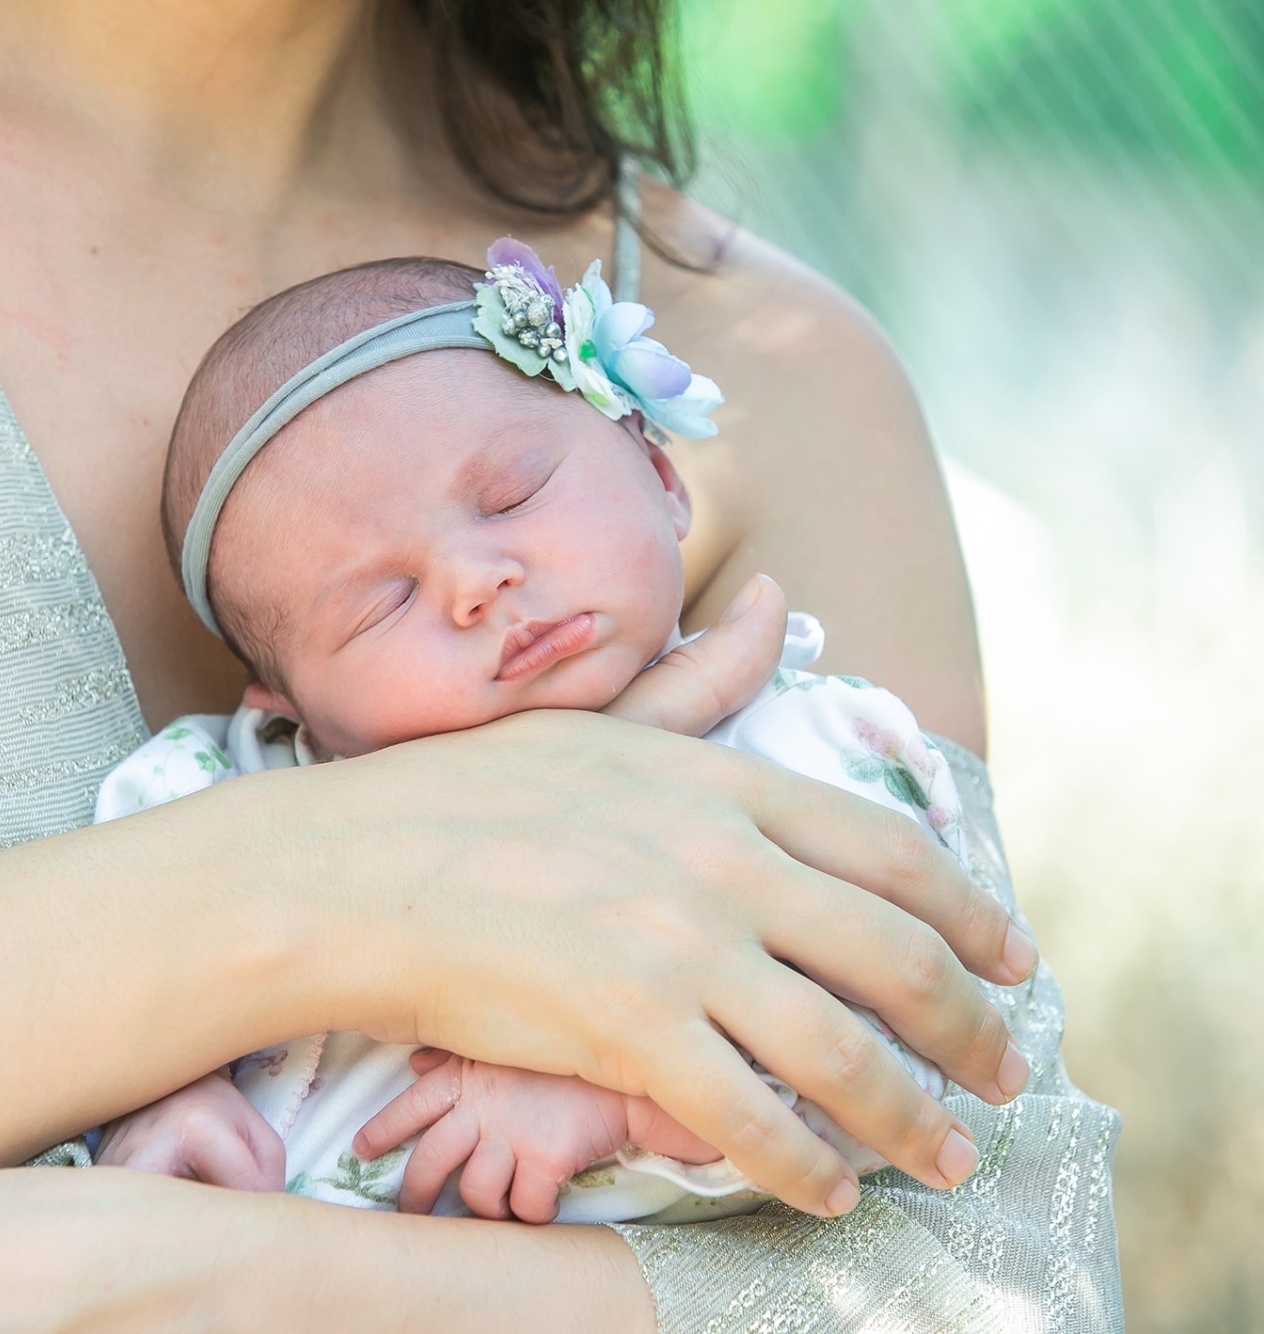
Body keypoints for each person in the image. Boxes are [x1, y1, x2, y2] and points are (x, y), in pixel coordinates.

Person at [0, 2, 1120, 1331]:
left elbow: (986, 1245)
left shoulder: (777, 365)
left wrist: (87, 1280)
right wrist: (337, 885)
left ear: (646, 457)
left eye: (514, 495)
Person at [89, 250, 961, 1226]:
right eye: (381, 602)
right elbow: (118, 948)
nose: (475, 580)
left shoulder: (808, 751)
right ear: (286, 701)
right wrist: (162, 1093)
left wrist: (624, 1088)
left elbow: (909, 1045)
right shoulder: (239, 786)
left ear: (663, 476)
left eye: (511, 494)